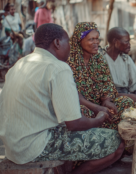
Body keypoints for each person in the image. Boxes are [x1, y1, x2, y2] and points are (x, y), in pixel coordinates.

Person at [0, 24, 125, 174]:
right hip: (36, 147)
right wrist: (99, 119)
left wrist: (96, 108)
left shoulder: (19, 65)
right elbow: (74, 123)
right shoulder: (58, 67)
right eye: (68, 42)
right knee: (117, 143)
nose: (71, 48)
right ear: (57, 43)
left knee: (66, 127)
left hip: (13, 147)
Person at [67, 22, 135, 132]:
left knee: (125, 102)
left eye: (97, 39)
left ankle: (118, 138)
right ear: (79, 40)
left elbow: (107, 83)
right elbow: (73, 94)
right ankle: (98, 136)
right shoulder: (70, 61)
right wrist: (96, 108)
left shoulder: (98, 58)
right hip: (83, 105)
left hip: (100, 105)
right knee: (82, 112)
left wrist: (106, 101)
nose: (96, 43)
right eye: (91, 39)